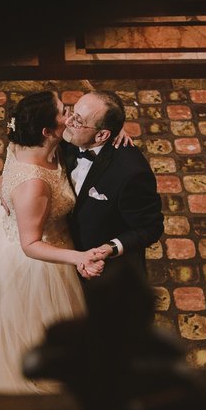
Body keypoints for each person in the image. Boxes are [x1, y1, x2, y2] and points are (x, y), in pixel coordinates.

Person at [0, 91, 110, 393]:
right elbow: (31, 244)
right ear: (48, 131)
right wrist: (78, 257)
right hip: (39, 256)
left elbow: (6, 179)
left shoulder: (24, 141)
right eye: (64, 111)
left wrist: (111, 130)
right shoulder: (34, 184)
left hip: (21, 220)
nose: (71, 114)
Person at [61, 90, 164, 280]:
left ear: (102, 136)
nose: (68, 122)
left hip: (102, 267)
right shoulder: (68, 135)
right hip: (60, 248)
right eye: (71, 113)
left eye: (78, 120)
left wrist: (110, 248)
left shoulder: (132, 173)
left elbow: (151, 227)